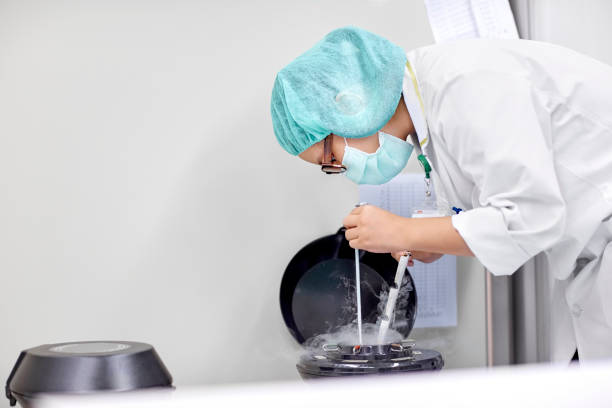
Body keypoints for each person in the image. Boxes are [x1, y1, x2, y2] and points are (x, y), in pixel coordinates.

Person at [270, 26, 612, 363]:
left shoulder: (465, 86)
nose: (339, 169)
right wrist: (434, 237)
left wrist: (404, 231)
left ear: (349, 104)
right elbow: (514, 208)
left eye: (330, 157)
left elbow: (531, 217)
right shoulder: (429, 108)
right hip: (591, 260)